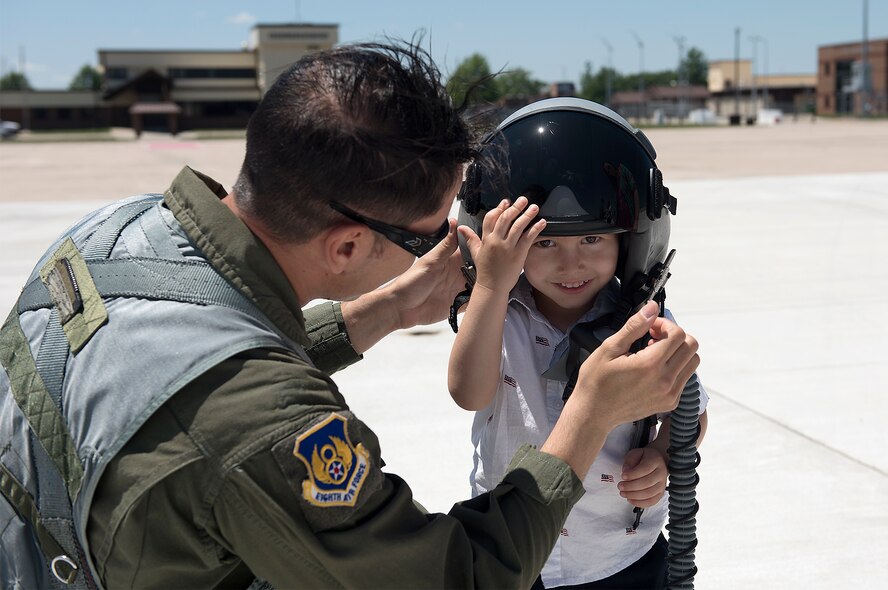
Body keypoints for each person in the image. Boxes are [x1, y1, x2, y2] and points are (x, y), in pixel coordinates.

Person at [0, 43, 699, 590]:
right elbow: (458, 578)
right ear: (348, 243)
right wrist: (589, 413)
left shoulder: (118, 235)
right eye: (429, 238)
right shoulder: (267, 427)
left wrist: (388, 306)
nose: (442, 257)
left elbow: (184, 368)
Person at [448, 98, 709, 589]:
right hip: (511, 553)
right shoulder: (498, 312)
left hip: (618, 558)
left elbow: (690, 409)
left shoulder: (644, 323)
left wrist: (659, 455)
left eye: (593, 241)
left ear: (629, 241)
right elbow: (469, 393)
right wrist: (488, 287)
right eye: (545, 244)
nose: (571, 265)